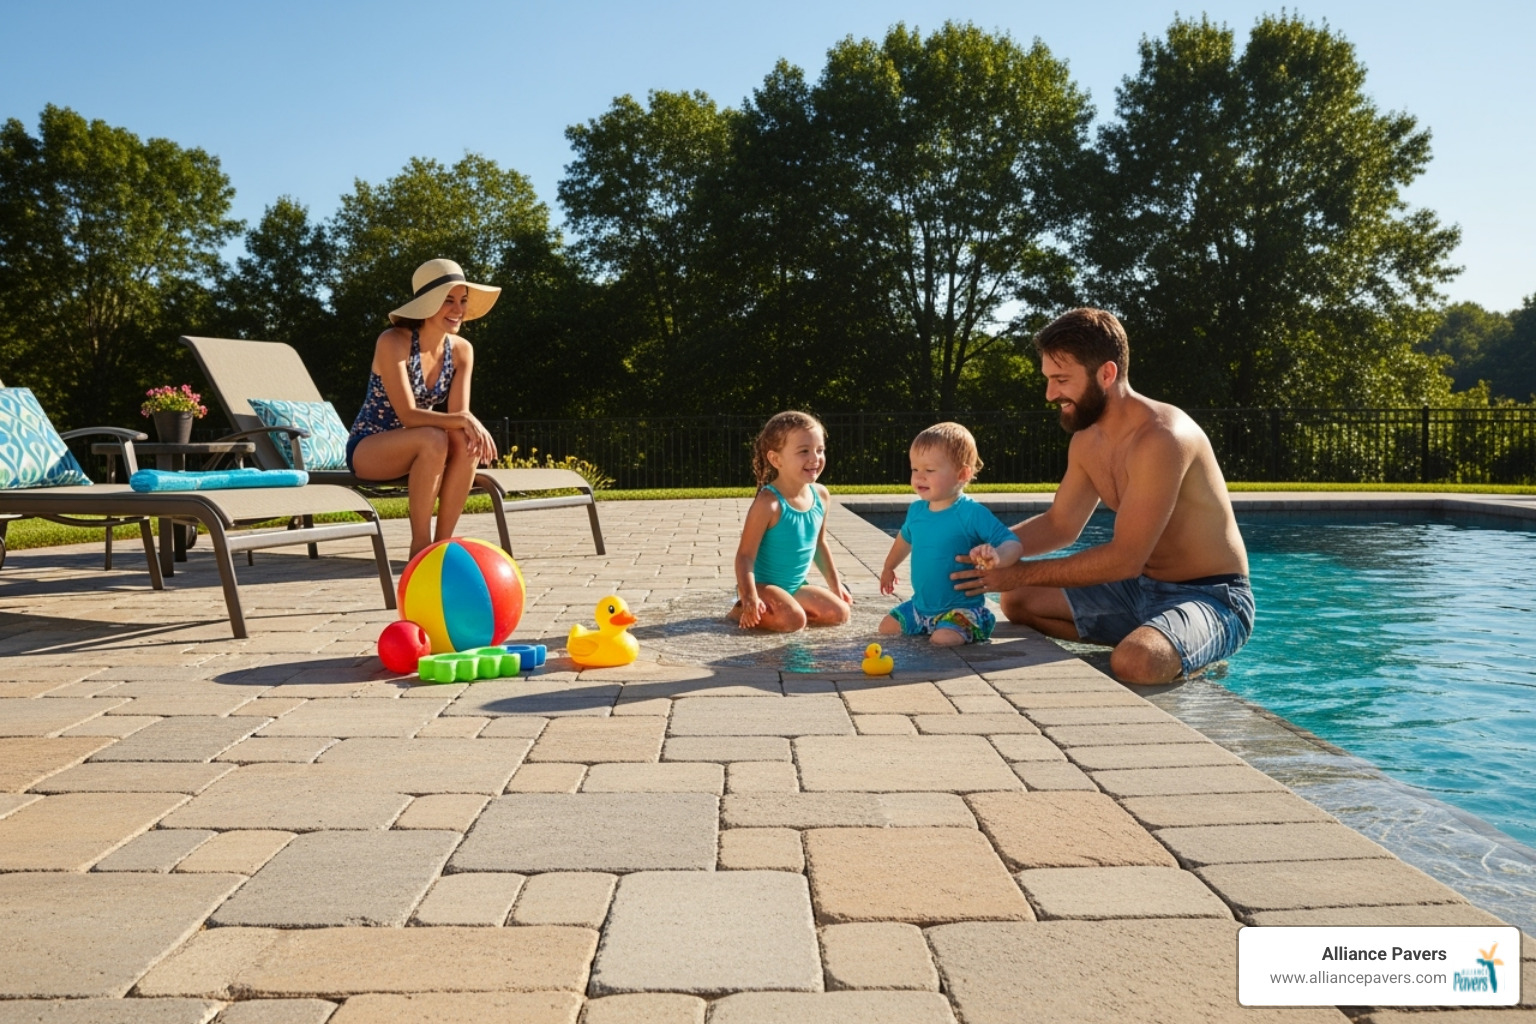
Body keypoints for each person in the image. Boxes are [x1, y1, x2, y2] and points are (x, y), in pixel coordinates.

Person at [952, 307, 1254, 683]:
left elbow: (1125, 558)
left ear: (1106, 374)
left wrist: (1020, 572)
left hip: (1211, 596)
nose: (1050, 394)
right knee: (1018, 599)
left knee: (1136, 662)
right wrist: (986, 548)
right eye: (1048, 379)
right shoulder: (1087, 440)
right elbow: (1060, 523)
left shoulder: (1162, 438)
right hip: (1136, 590)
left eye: (1061, 379)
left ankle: (1167, 648)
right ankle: (1156, 638)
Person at [347, 259, 501, 557]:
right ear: (427, 304)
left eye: (462, 301)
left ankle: (441, 547)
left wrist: (468, 425)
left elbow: (458, 420)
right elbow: (407, 415)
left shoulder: (461, 351)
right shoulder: (392, 341)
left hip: (427, 445)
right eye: (448, 301)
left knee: (465, 439)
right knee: (435, 436)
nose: (458, 309)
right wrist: (465, 419)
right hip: (371, 448)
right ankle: (420, 546)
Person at [879, 422, 1023, 646]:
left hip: (960, 609)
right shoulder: (917, 510)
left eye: (929, 470)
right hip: (921, 607)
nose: (919, 477)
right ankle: (929, 623)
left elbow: (1012, 543)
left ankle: (978, 623)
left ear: (962, 474)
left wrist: (997, 556)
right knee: (886, 628)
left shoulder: (971, 513)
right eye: (915, 469)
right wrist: (889, 567)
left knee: (943, 639)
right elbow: (904, 539)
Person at [731, 411, 853, 631]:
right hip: (761, 587)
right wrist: (750, 596)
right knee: (793, 621)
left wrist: (836, 588)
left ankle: (785, 608)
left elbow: (819, 544)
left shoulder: (821, 496)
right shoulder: (769, 503)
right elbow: (745, 556)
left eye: (820, 450)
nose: (815, 458)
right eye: (804, 451)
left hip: (794, 586)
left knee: (840, 613)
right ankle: (741, 608)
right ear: (776, 459)